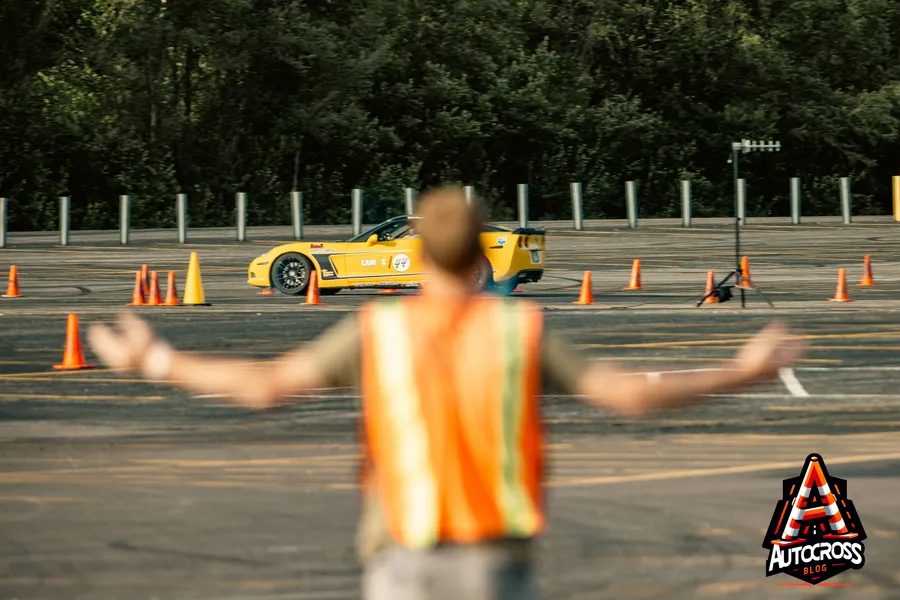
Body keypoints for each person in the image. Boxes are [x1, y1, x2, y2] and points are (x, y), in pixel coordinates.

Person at [88, 185, 804, 599]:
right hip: (496, 555)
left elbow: (267, 386)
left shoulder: (379, 329)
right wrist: (744, 370)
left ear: (419, 251)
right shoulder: (517, 330)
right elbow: (626, 396)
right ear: (478, 253)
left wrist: (156, 361)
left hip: (402, 553)